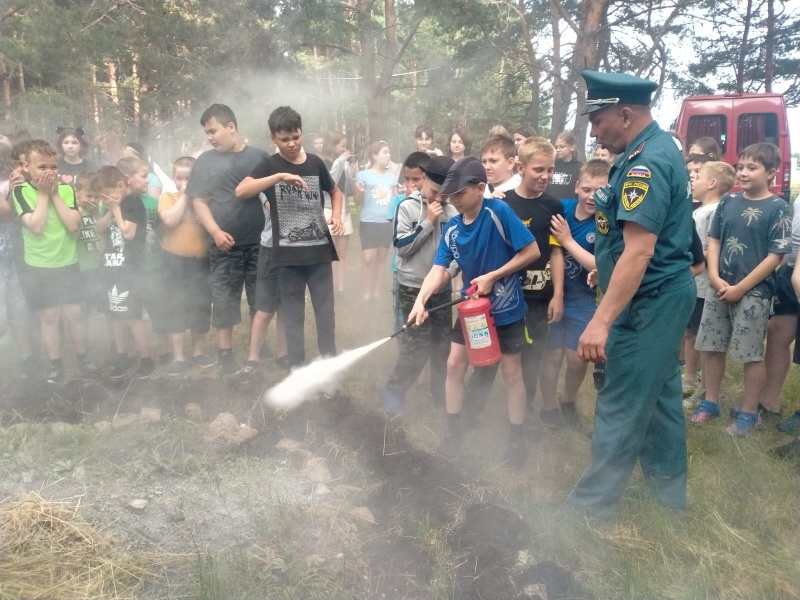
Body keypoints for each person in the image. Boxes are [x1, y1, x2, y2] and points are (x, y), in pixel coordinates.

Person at [567, 71, 697, 520]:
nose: (592, 129)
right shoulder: (640, 154)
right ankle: (667, 498)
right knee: (659, 397)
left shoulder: (647, 163)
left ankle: (590, 510)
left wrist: (601, 320)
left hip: (651, 300)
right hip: (653, 293)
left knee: (620, 400)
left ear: (626, 114)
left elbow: (640, 251)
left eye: (598, 118)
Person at [409, 157, 541, 468]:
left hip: (507, 309)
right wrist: (421, 300)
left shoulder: (499, 212)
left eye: (459, 194)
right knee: (455, 365)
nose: (452, 200)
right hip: (473, 312)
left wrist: (494, 275)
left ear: (480, 188)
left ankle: (514, 440)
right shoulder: (453, 229)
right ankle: (454, 434)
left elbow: (531, 251)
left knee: (511, 374)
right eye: (450, 195)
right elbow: (439, 270)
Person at [690, 143, 791, 435]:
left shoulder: (778, 208)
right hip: (718, 287)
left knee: (750, 354)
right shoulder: (728, 203)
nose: (743, 173)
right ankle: (710, 402)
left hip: (754, 293)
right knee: (711, 346)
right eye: (741, 166)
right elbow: (715, 240)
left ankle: (749, 413)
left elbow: (776, 256)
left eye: (752, 167)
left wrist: (741, 288)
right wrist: (713, 275)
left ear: (771, 173)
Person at [235, 105, 343, 370]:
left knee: (325, 314)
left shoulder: (315, 163)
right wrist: (280, 176)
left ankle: (329, 365)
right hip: (287, 257)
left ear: (302, 133)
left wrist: (337, 215)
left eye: (296, 137)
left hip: (319, 253)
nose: (292, 144)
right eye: (284, 139)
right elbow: (242, 191)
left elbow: (335, 192)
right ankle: (297, 367)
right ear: (273, 138)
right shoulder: (270, 165)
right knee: (293, 315)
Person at [187, 104, 270, 374]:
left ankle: (259, 347)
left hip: (260, 244)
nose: (210, 137)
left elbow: (269, 196)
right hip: (224, 244)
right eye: (207, 133)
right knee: (224, 298)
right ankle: (225, 352)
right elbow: (198, 200)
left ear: (231, 127)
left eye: (213, 131)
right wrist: (215, 232)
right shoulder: (205, 161)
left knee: (261, 298)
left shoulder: (258, 156)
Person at [493, 137, 565, 424]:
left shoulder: (553, 205)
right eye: (539, 170)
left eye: (550, 170)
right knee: (507, 357)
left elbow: (557, 252)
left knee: (534, 356)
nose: (545, 176)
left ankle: (527, 411)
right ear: (520, 168)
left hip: (539, 298)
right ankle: (489, 409)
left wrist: (558, 294)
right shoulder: (503, 203)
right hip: (508, 297)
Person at [378, 155, 458, 414]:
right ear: (424, 180)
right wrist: (428, 223)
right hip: (412, 287)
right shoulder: (407, 207)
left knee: (443, 344)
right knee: (417, 346)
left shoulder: (453, 210)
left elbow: (459, 251)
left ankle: (439, 392)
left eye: (446, 194)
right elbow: (401, 248)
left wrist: (449, 275)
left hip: (442, 288)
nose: (440, 199)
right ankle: (392, 390)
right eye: (436, 192)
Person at [12, 140, 92, 382]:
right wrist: (44, 195)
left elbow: (73, 225)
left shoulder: (67, 190)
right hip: (39, 265)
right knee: (49, 316)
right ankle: (56, 364)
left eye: (53, 167)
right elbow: (35, 226)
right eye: (42, 167)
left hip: (68, 262)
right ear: (27, 167)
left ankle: (84, 359)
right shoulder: (20, 191)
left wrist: (55, 192)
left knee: (76, 313)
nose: (49, 172)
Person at [539, 159, 610, 428]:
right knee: (552, 355)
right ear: (577, 187)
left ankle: (568, 401)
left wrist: (568, 240)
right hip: (552, 297)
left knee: (577, 359)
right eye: (588, 189)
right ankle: (548, 407)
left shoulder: (605, 224)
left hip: (583, 300)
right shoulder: (561, 210)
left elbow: (601, 265)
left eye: (600, 191)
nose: (593, 197)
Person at [681, 162, 735, 404]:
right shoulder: (697, 211)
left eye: (698, 175)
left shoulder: (715, 211)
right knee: (691, 333)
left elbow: (708, 247)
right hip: (694, 285)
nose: (692, 179)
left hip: (706, 287)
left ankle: (702, 388)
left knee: (703, 338)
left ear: (713, 183)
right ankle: (688, 379)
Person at [94, 164, 155, 379]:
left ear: (120, 186)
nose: (104, 200)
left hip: (131, 270)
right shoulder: (114, 205)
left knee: (131, 317)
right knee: (114, 315)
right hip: (111, 267)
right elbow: (99, 229)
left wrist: (117, 208)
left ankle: (147, 360)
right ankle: (123, 356)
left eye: (106, 196)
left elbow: (128, 234)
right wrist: (111, 208)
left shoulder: (132, 203)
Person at [157, 157, 215, 375]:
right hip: (174, 261)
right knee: (176, 307)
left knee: (200, 306)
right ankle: (179, 356)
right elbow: (169, 221)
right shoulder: (168, 197)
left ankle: (199, 352)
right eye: (179, 177)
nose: (183, 181)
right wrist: (184, 195)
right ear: (173, 178)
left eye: (188, 178)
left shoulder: (204, 201)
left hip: (200, 262)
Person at [0, 137, 34, 376]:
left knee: (18, 306)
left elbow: (10, 214)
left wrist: (14, 188)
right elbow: (7, 212)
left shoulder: (13, 180)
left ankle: (27, 358)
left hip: (14, 253)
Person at [355, 141, 397, 301]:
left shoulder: (391, 178)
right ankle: (366, 292)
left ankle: (376, 291)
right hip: (368, 222)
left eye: (389, 152)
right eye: (385, 152)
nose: (388, 155)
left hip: (386, 223)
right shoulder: (363, 175)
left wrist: (394, 222)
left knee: (381, 258)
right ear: (375, 155)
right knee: (368, 259)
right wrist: (359, 192)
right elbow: (358, 201)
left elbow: (395, 201)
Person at [319, 131, 355, 294]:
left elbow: (349, 189)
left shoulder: (343, 163)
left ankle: (341, 287)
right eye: (342, 146)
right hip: (328, 210)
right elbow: (329, 182)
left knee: (342, 253)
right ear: (332, 146)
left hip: (344, 211)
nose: (345, 149)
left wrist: (352, 173)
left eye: (345, 146)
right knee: (328, 253)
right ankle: (328, 286)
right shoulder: (322, 163)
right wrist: (341, 162)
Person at [481, 134, 519, 199]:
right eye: (484, 162)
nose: (487, 167)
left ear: (510, 163)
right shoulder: (481, 191)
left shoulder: (520, 191)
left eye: (493, 161)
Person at [548, 131, 582, 201]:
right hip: (550, 204)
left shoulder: (579, 167)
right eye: (556, 147)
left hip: (569, 206)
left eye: (562, 147)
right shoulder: (551, 165)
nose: (558, 150)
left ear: (572, 148)